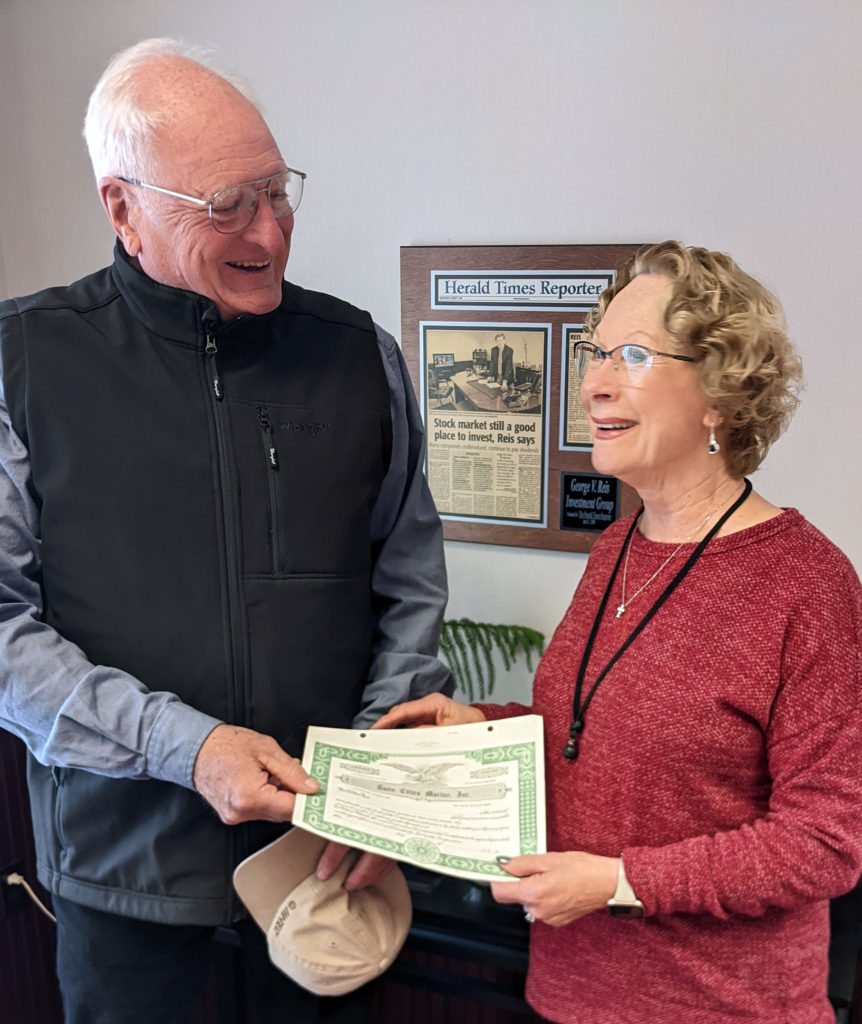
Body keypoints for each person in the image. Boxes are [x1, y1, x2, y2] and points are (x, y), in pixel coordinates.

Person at [0, 37, 451, 1024]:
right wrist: (187, 746)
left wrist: (375, 777)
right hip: (123, 875)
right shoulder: (23, 361)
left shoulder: (357, 354)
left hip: (320, 867)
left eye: (278, 191)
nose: (271, 233)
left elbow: (408, 583)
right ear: (123, 207)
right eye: (227, 205)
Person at [375, 241, 862, 1024]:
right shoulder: (618, 547)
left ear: (719, 394)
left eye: (631, 356)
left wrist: (618, 882)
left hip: (720, 1010)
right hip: (571, 993)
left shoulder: (806, 583)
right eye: (595, 354)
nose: (594, 383)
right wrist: (483, 725)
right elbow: (593, 740)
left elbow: (825, 842)